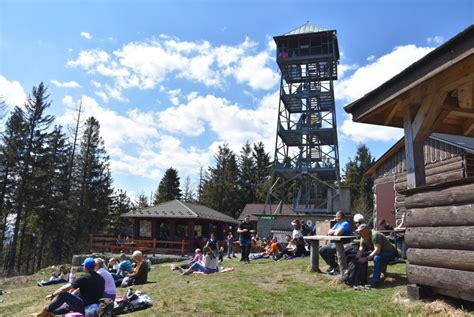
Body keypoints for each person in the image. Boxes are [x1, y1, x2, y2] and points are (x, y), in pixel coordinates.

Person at [32, 258, 105, 317]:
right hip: (97, 306)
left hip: (86, 307)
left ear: (85, 267)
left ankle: (45, 313)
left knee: (64, 295)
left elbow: (65, 289)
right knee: (69, 304)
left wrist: (53, 295)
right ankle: (51, 313)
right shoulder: (101, 278)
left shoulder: (85, 278)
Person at [319, 211, 351, 275]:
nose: (335, 218)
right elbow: (328, 232)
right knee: (322, 250)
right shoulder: (337, 224)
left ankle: (336, 268)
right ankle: (334, 266)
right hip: (335, 243)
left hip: (343, 244)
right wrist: (335, 231)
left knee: (329, 250)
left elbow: (338, 234)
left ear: (341, 217)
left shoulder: (345, 223)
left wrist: (333, 232)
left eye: (337, 217)